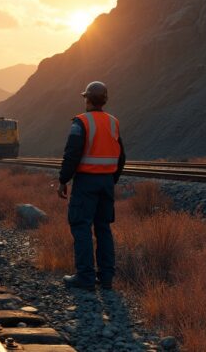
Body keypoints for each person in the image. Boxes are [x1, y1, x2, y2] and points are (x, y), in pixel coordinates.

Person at [57, 81, 125, 290]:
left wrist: (63, 180)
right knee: (103, 228)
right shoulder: (113, 122)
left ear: (87, 99)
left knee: (81, 226)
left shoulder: (81, 123)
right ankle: (106, 279)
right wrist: (111, 178)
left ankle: (85, 278)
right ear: (104, 100)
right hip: (106, 183)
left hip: (86, 183)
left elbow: (72, 154)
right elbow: (121, 156)